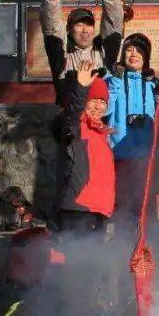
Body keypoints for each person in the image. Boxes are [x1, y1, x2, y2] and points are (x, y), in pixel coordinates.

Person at [40, 0, 123, 105]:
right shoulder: (62, 53)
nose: (85, 30)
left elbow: (113, 23)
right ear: (69, 29)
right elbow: (52, 27)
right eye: (79, 25)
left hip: (100, 118)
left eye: (88, 24)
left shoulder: (103, 51)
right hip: (71, 119)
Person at [107, 33, 159, 228]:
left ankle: (148, 248)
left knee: (147, 206)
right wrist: (114, 82)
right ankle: (122, 247)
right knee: (122, 205)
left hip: (147, 155)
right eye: (129, 50)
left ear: (146, 57)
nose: (134, 54)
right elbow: (104, 110)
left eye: (139, 51)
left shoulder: (152, 83)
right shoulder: (113, 80)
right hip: (120, 154)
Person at [55, 61, 116, 232]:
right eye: (94, 100)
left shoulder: (101, 133)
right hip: (78, 208)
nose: (98, 106)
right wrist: (81, 89)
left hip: (99, 209)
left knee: (93, 258)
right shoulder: (76, 127)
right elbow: (72, 113)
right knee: (77, 257)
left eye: (102, 101)